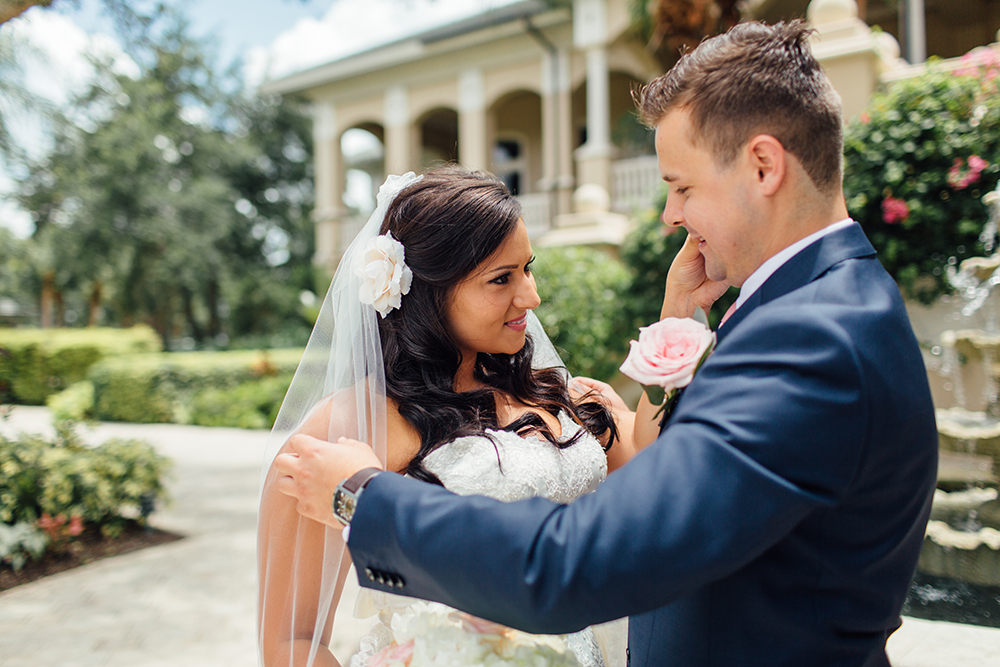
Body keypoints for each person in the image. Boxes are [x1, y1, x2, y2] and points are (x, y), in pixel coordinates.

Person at [274, 20, 939, 667]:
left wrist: (361, 496)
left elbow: (572, 565)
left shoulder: (808, 337)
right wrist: (679, 321)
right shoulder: (820, 307)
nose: (672, 214)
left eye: (682, 186)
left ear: (764, 165)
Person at [258, 165, 648, 667]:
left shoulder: (557, 394)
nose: (532, 296)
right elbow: (293, 640)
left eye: (527, 268)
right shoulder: (348, 426)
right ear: (427, 291)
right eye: (501, 278)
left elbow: (658, 496)